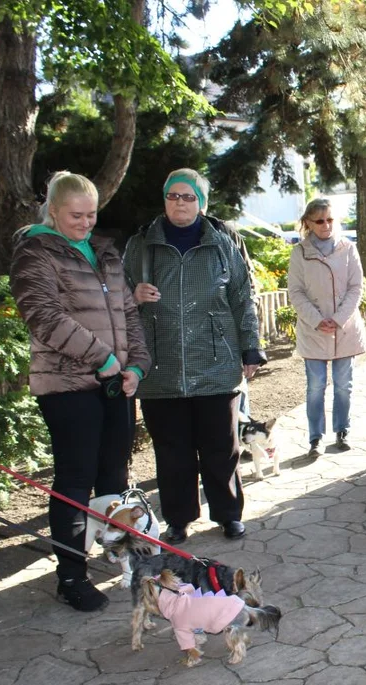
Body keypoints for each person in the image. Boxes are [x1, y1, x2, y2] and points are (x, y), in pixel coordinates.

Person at [10, 171, 151, 612]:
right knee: (75, 479)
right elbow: (43, 316)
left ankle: (115, 551)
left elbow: (128, 313)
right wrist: (102, 358)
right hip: (67, 385)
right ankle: (71, 574)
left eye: (92, 214)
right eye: (76, 215)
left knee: (114, 474)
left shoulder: (106, 253)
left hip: (115, 384)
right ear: (53, 210)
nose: (86, 223)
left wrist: (135, 367)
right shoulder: (35, 252)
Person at [123, 168, 264, 545]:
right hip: (161, 367)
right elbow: (116, 294)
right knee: (172, 453)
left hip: (216, 363)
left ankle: (228, 514)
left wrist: (251, 346)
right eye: (173, 196)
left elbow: (241, 297)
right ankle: (178, 519)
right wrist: (132, 296)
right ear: (164, 199)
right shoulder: (141, 244)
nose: (180, 204)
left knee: (221, 449)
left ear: (201, 203)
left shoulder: (223, 243)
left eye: (189, 197)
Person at [286, 197, 366, 459]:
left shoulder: (348, 249)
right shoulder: (299, 253)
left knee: (344, 385)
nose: (326, 225)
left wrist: (339, 318)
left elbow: (356, 288)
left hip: (345, 331)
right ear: (308, 223)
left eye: (330, 219)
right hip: (314, 332)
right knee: (315, 387)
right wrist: (317, 320)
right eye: (319, 221)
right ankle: (315, 437)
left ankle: (342, 430)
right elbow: (296, 292)